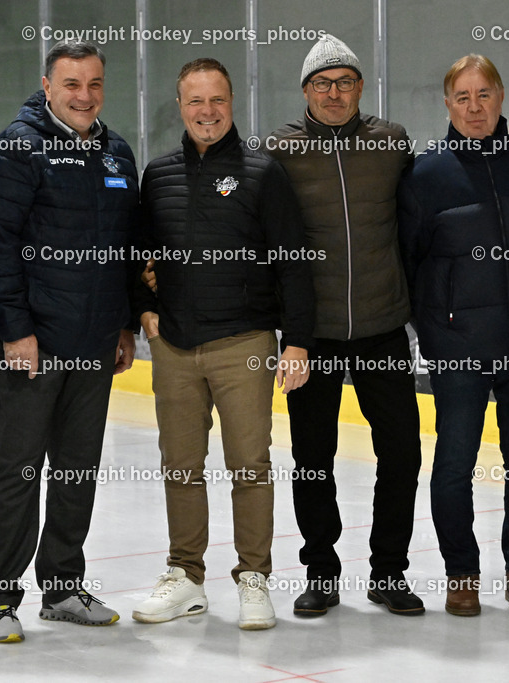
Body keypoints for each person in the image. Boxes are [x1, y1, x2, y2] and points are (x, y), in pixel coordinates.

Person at [131, 57, 314, 631]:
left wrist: (298, 342)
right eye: (195, 102)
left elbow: (293, 262)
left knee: (249, 465)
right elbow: (138, 254)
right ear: (180, 105)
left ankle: (254, 578)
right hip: (176, 346)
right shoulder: (157, 175)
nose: (206, 112)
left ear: (232, 103)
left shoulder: (263, 172)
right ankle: (185, 576)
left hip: (245, 341)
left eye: (217, 101)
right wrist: (144, 308)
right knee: (180, 465)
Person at [0, 39, 140, 642]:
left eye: (94, 84)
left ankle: (63, 586)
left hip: (95, 343)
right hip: (34, 346)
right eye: (72, 84)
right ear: (47, 87)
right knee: (19, 470)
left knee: (77, 469)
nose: (84, 96)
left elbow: (125, 250)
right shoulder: (18, 148)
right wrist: (15, 330)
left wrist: (123, 323)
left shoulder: (117, 153)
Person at [266, 34, 424, 617]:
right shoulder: (280, 150)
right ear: (306, 90)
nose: (334, 93)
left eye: (345, 82)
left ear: (361, 87)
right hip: (315, 333)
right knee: (313, 457)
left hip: (383, 324)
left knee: (402, 455)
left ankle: (388, 571)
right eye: (322, 84)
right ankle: (322, 571)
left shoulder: (392, 143)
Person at [398, 54, 509, 616]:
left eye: (483, 95)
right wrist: (435, 329)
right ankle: (461, 573)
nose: (473, 107)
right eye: (461, 97)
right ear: (447, 104)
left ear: (501, 97)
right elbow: (408, 260)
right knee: (455, 462)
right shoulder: (426, 173)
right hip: (458, 346)